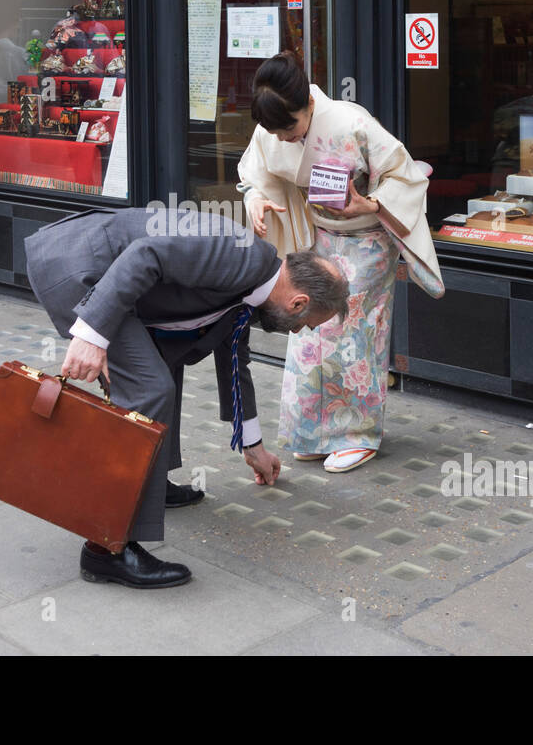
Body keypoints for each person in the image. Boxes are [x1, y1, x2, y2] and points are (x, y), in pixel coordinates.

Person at [25, 207, 349, 588]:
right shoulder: (241, 256)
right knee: (150, 388)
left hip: (103, 271)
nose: (298, 332)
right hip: (79, 267)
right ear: (298, 302)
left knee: (165, 361)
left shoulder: (254, 286)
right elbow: (146, 255)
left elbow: (234, 362)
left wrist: (253, 445)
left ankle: (151, 481)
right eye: (307, 324)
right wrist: (93, 335)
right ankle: (105, 548)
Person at [237, 52, 445, 474]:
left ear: (309, 105)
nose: (284, 139)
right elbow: (257, 173)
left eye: (290, 128)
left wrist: (368, 203)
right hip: (315, 240)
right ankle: (312, 431)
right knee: (309, 332)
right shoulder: (272, 130)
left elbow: (407, 177)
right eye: (276, 132)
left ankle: (358, 434)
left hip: (366, 243)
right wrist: (256, 198)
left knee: (355, 334)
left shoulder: (352, 123)